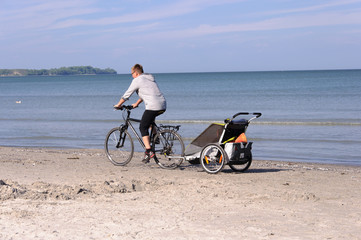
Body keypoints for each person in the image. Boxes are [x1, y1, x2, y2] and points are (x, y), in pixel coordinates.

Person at [114, 64, 166, 163]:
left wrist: (118, 105)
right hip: (162, 105)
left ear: (136, 73)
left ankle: (149, 151)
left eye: (132, 73)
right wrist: (137, 103)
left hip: (153, 106)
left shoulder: (137, 80)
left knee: (143, 127)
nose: (131, 76)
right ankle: (156, 137)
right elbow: (148, 93)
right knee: (149, 121)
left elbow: (127, 94)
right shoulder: (149, 79)